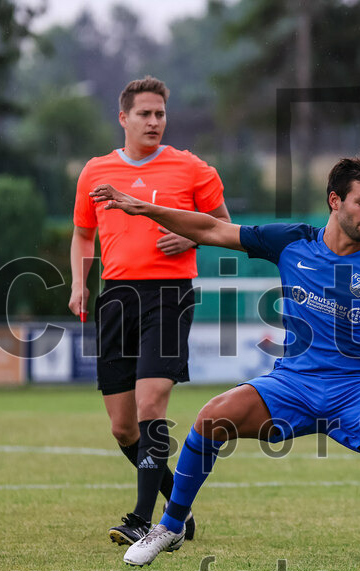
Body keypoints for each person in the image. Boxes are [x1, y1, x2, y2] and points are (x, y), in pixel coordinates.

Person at [90, 158, 360, 571]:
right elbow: (210, 229)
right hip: (291, 384)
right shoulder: (290, 241)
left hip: (356, 389)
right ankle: (171, 525)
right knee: (211, 417)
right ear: (335, 200)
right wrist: (143, 207)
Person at [69, 76, 231, 546]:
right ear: (123, 118)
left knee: (149, 405)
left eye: (160, 113)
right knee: (122, 427)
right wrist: (80, 283)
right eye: (145, 113)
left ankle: (145, 521)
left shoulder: (190, 168)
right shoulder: (95, 171)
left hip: (169, 294)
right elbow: (83, 233)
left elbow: (223, 224)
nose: (154, 121)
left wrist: (190, 235)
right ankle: (178, 506)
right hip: (116, 298)